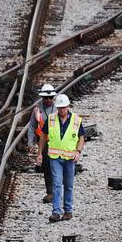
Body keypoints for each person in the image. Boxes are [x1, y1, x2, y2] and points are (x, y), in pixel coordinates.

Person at [37, 94, 84, 222]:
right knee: (57, 184)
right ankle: (56, 212)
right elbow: (43, 136)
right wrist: (40, 153)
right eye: (59, 108)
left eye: (64, 107)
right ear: (57, 107)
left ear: (68, 106)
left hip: (70, 158)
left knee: (68, 185)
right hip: (55, 157)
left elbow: (81, 138)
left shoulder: (76, 120)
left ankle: (68, 211)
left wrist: (78, 151)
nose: (62, 110)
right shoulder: (51, 119)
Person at [27, 84, 59, 203]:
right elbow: (32, 127)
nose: (48, 100)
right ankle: (50, 192)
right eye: (46, 98)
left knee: (57, 167)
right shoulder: (37, 110)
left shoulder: (58, 108)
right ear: (42, 98)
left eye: (51, 98)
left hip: (58, 142)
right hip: (44, 143)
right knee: (47, 167)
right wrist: (30, 142)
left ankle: (57, 191)